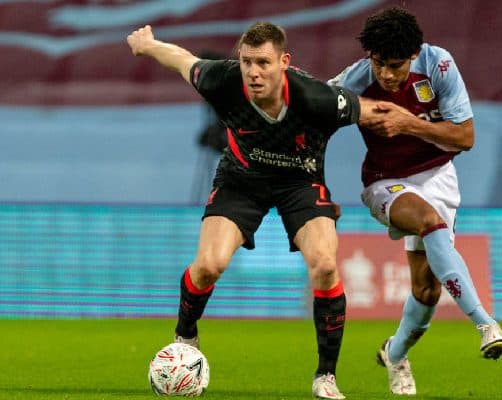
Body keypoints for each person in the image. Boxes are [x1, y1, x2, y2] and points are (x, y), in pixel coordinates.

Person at [127, 22, 377, 400]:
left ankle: (325, 376)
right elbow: (182, 60)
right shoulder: (221, 80)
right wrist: (147, 44)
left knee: (325, 265)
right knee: (209, 265)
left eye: (263, 62)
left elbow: (376, 113)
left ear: (284, 62)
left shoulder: (317, 98)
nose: (254, 72)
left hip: (300, 181)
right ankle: (185, 335)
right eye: (247, 62)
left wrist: (432, 132)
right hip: (241, 179)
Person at [329, 7, 502, 395]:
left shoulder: (439, 65)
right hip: (385, 182)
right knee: (429, 221)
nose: (387, 75)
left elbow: (465, 138)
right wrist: (316, 191)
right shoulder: (356, 81)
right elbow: (313, 118)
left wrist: (407, 121)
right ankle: (485, 323)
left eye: (395, 65)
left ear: (414, 55)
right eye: (379, 64)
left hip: (438, 176)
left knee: (427, 292)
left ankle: (394, 352)